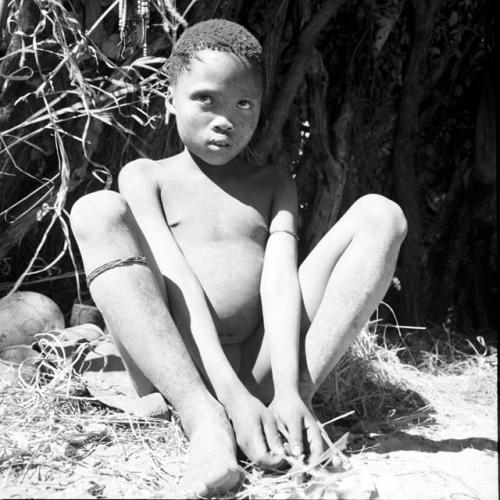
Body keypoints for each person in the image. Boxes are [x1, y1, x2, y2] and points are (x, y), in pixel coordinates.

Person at [70, 18, 407, 497]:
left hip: (262, 368)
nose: (225, 118)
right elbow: (177, 280)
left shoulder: (273, 184)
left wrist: (288, 389)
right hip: (178, 372)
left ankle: (293, 413)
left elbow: (279, 284)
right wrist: (221, 396)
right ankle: (205, 423)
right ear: (171, 100)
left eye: (243, 103)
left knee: (382, 214)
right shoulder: (146, 177)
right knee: (95, 210)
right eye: (205, 98)